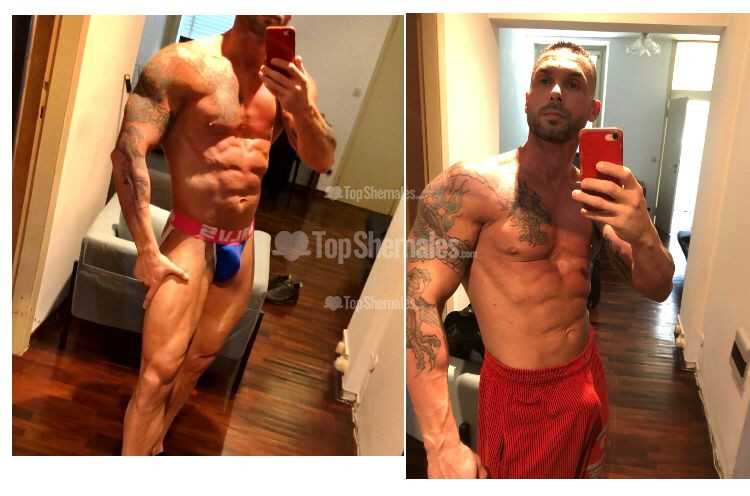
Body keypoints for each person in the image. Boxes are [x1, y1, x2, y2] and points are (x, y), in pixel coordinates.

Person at [406, 41, 674, 478]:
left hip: (587, 371)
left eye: (573, 84)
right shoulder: (469, 187)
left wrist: (643, 230)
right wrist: (441, 444)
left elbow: (658, 287)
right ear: (528, 98)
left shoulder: (594, 195)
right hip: (522, 397)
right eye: (545, 80)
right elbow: (415, 300)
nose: (556, 91)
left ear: (592, 109)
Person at [110, 15, 336, 455]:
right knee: (157, 376)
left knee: (197, 363)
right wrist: (146, 249)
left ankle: (154, 446)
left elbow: (322, 160)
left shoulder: (292, 82)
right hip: (190, 240)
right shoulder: (179, 66)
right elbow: (127, 155)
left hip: (243, 241)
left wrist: (303, 106)